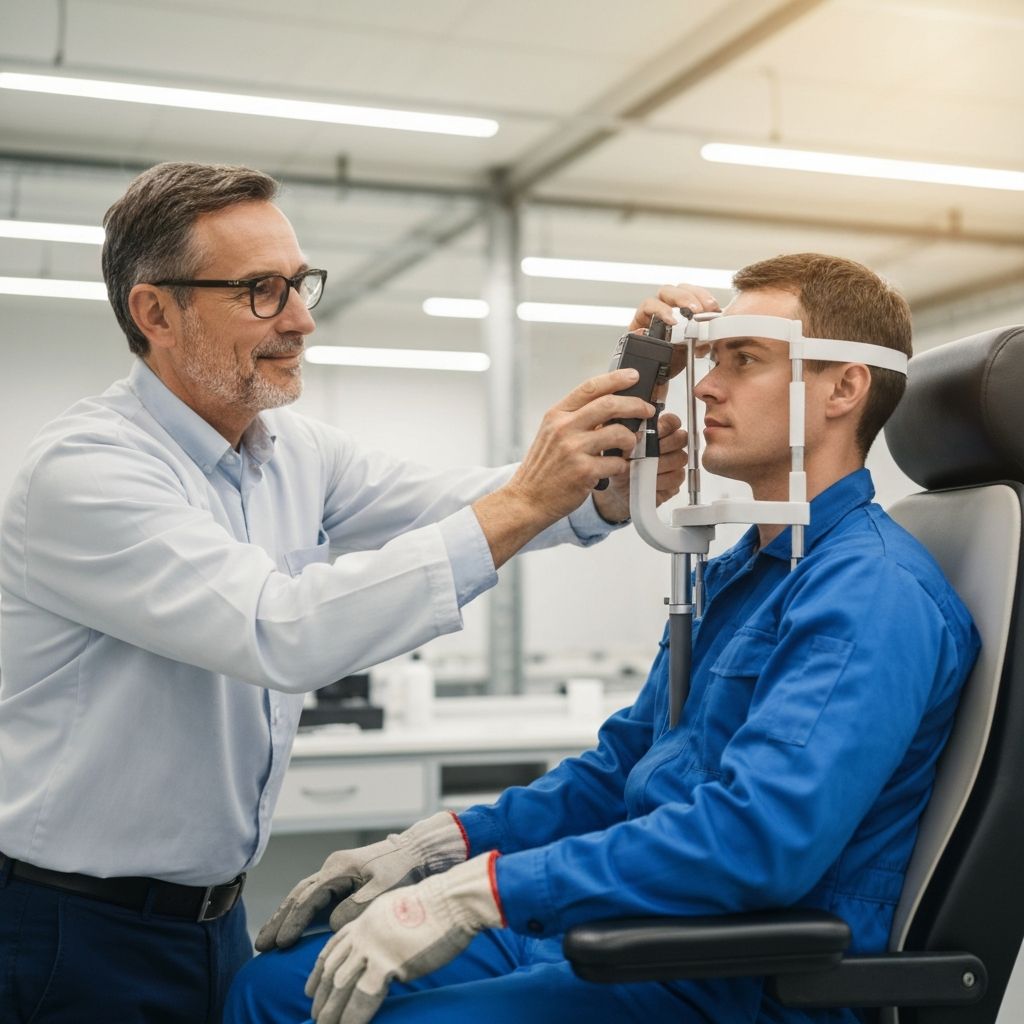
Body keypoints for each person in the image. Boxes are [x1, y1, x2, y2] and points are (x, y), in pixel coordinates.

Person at [0, 161, 690, 1024]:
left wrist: (599, 485)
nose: (301, 318)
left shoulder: (291, 450)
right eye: (261, 291)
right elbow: (278, 630)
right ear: (156, 313)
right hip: (72, 930)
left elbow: (453, 505)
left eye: (300, 284)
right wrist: (528, 497)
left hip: (210, 920)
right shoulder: (88, 471)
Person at [225, 253, 981, 1024]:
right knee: (271, 988)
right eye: (713, 358)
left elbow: (758, 841)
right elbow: (621, 767)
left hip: (726, 981)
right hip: (626, 929)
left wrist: (481, 893)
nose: (707, 386)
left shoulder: (870, 592)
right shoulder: (743, 570)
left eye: (744, 359)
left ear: (844, 388)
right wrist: (435, 848)